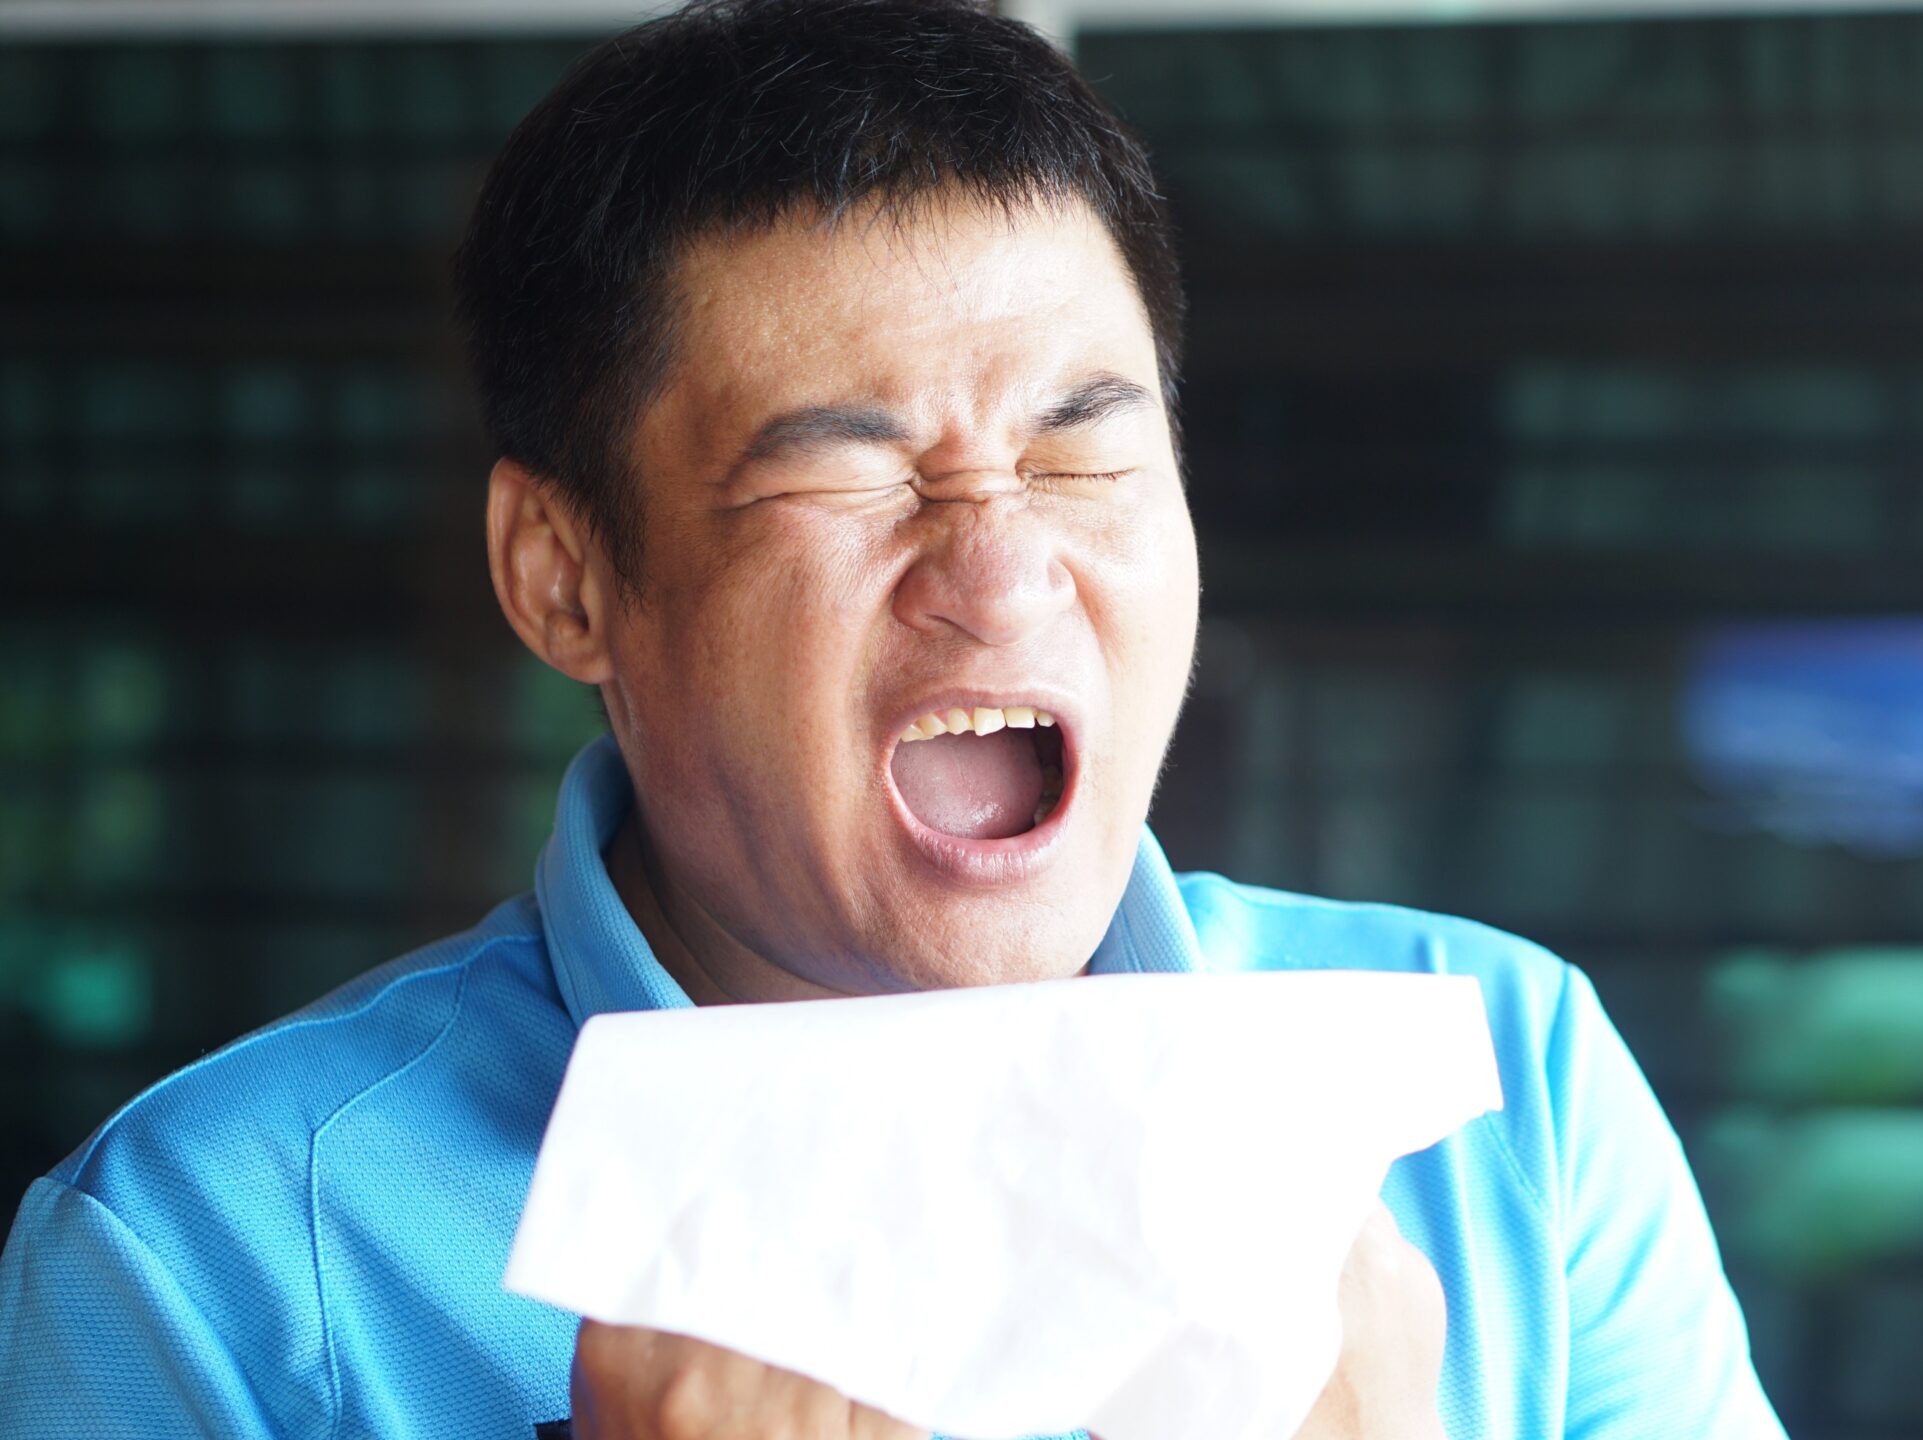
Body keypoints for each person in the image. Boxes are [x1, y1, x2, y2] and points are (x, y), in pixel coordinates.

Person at [0, 3, 1787, 1436]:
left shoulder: (1505, 1099)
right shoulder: (211, 1264)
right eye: (846, 477)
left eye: (1084, 448)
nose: (1001, 573)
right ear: (564, 577)